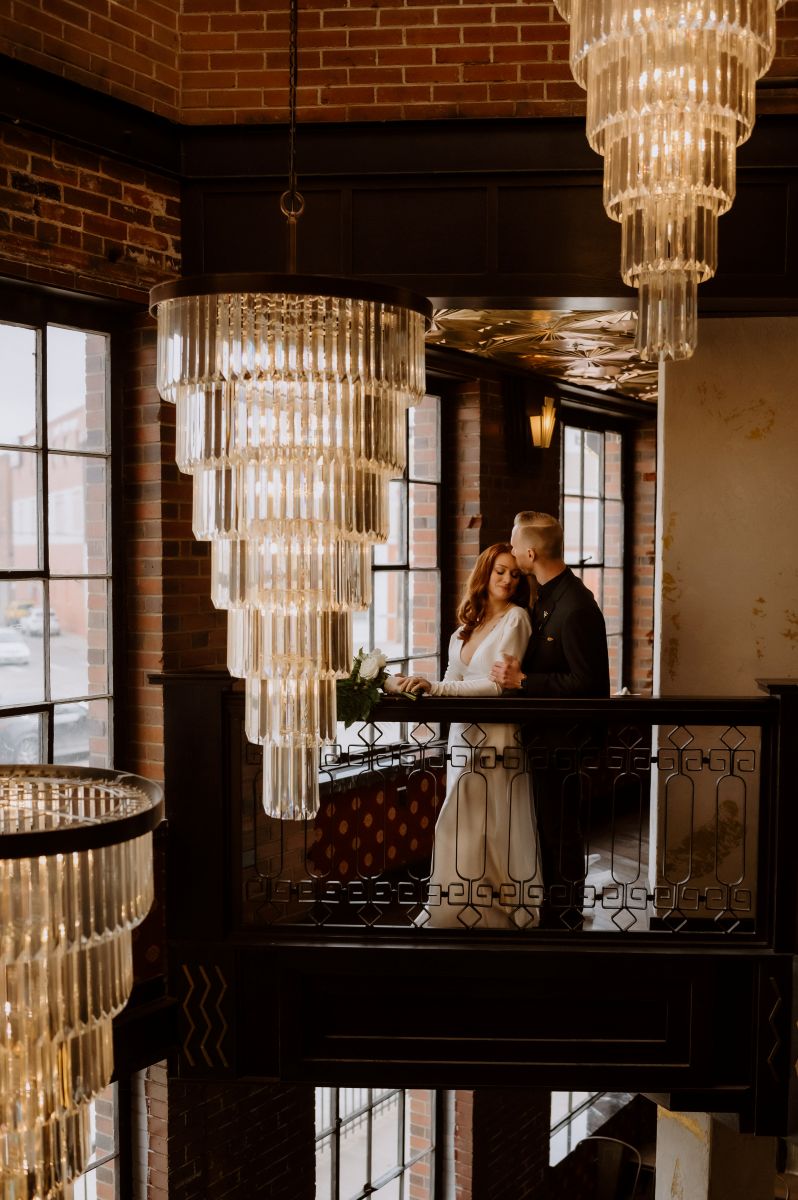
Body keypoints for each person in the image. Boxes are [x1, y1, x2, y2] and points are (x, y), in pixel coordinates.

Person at [389, 543, 543, 930]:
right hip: (462, 737)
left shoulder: (517, 620)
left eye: (514, 574)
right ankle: (456, 910)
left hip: (497, 738)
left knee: (497, 826)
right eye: (500, 572)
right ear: (485, 574)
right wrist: (420, 686)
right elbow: (452, 680)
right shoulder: (463, 630)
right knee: (460, 824)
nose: (508, 580)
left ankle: (508, 912)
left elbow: (497, 687)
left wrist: (436, 690)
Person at [490, 511, 611, 927]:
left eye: (513, 541)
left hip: (565, 741)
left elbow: (589, 684)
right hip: (544, 739)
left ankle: (566, 917)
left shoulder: (576, 606)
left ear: (530, 551)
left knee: (562, 833)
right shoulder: (546, 596)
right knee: (548, 829)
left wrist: (524, 680)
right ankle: (554, 910)